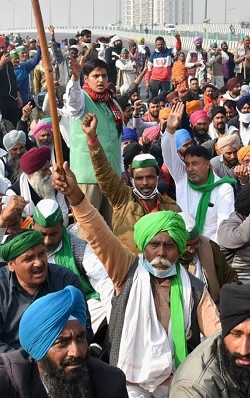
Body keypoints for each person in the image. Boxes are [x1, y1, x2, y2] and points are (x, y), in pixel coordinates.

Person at [52, 162, 220, 398]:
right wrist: (75, 196)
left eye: (169, 245)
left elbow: (217, 335)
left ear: (179, 249)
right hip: (129, 381)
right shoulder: (127, 270)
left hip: (176, 380)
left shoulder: (193, 288)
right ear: (144, 246)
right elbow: (98, 234)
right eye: (155, 244)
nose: (161, 252)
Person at [0, 283, 128, 398]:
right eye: (62, 342)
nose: (76, 352)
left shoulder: (109, 381)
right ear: (38, 351)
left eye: (80, 338)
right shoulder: (14, 378)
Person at [0, 227, 87, 365]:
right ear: (11, 265)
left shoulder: (65, 281)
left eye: (42, 254)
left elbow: (84, 328)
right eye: (29, 258)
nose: (39, 262)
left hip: (63, 362)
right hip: (15, 368)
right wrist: (24, 362)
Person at [85, 115, 179, 254]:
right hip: (129, 270)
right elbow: (104, 173)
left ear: (158, 178)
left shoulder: (172, 208)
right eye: (140, 178)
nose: (145, 183)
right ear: (132, 179)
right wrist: (92, 139)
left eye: (150, 177)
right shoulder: (122, 199)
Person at [162, 103, 235, 243]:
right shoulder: (182, 177)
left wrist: (208, 253)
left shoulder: (223, 189)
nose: (189, 169)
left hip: (210, 248)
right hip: (182, 245)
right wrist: (170, 130)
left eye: (195, 164)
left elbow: (223, 226)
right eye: (187, 164)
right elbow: (168, 154)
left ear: (208, 164)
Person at [64, 57, 124, 226]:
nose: (101, 80)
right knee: (88, 229)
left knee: (111, 230)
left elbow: (117, 141)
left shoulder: (111, 103)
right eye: (96, 76)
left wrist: (122, 169)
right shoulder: (81, 100)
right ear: (86, 78)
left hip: (112, 177)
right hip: (88, 178)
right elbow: (73, 100)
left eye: (104, 76)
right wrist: (74, 79)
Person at [7, 146, 70, 222]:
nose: (50, 173)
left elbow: (64, 213)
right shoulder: (14, 193)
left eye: (49, 168)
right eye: (44, 170)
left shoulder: (54, 183)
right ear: (32, 173)